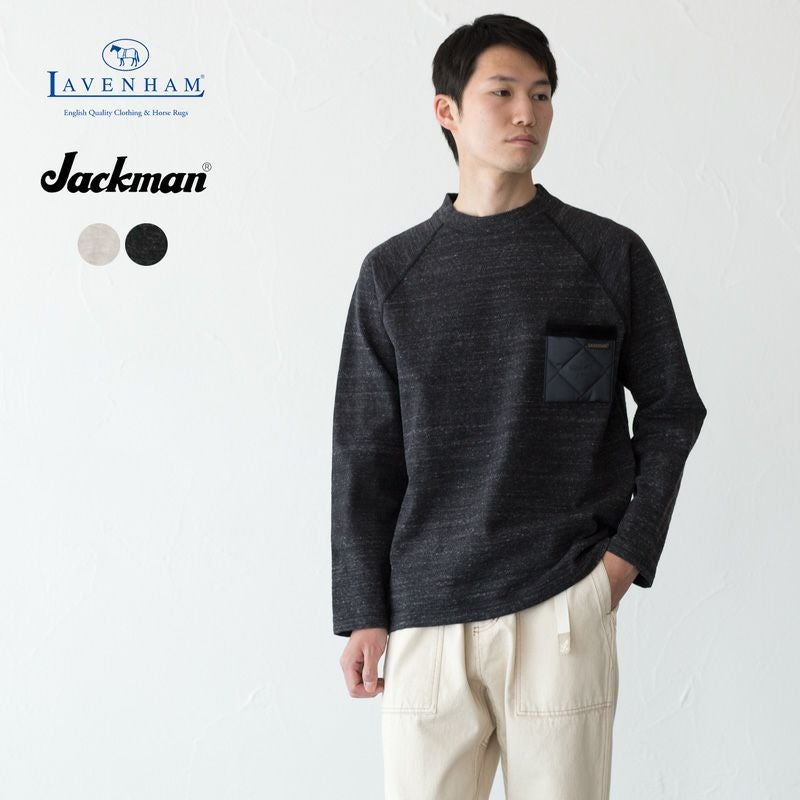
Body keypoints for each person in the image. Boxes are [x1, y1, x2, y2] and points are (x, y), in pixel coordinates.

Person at [331, 13, 707, 800]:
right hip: (426, 616)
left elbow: (673, 408)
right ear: (447, 110)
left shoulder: (606, 255)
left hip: (562, 606)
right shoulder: (393, 273)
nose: (526, 113)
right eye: (501, 92)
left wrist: (622, 563)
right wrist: (363, 610)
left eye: (541, 94)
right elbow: (366, 453)